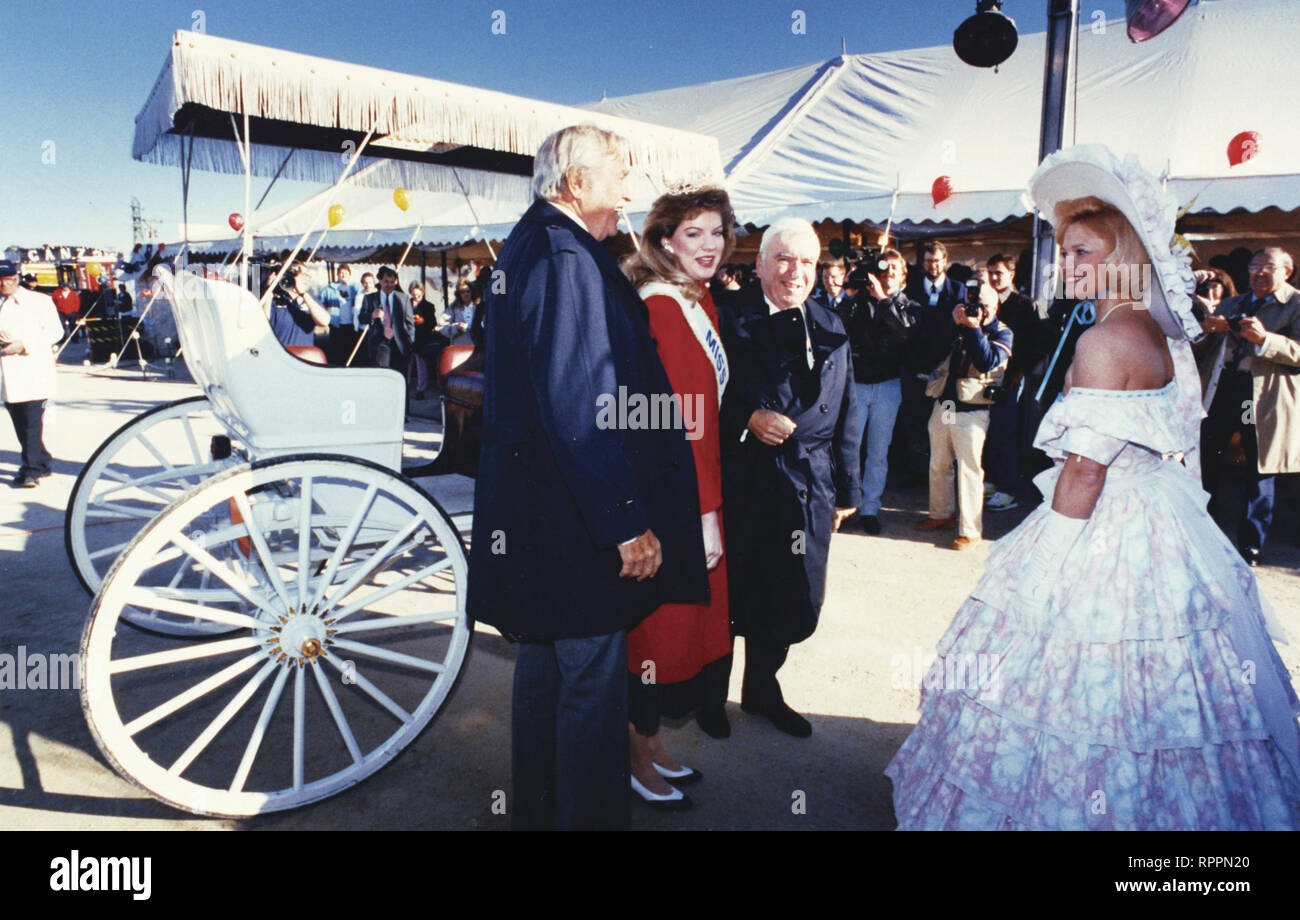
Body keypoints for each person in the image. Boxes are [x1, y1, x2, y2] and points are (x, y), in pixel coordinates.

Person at [886, 145, 1300, 830]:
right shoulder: (1158, 331)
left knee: (1071, 679)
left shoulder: (1106, 341)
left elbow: (1084, 469)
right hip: (1161, 515)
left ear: (1123, 258)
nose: (1067, 265)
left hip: (1103, 520)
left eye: (1083, 253)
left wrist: (1039, 570)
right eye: (1064, 251)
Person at [467, 125, 708, 831]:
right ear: (576, 183)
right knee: (589, 700)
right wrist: (625, 520)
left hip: (546, 520)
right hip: (574, 526)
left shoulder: (537, 243)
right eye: (618, 175)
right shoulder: (565, 255)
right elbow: (579, 404)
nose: (629, 191)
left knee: (543, 680)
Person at [718, 217, 861, 738]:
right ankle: (713, 697)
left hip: (810, 482)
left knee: (793, 591)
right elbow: (695, 391)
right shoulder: (726, 318)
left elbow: (846, 410)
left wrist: (849, 489)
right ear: (759, 265)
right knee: (735, 589)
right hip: (745, 479)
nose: (794, 271)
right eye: (782, 258)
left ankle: (762, 689)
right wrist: (747, 416)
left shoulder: (833, 322)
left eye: (805, 261)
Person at [619, 186, 736, 808]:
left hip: (693, 489)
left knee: (671, 637)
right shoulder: (665, 308)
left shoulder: (697, 301)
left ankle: (652, 744)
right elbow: (683, 428)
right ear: (665, 241)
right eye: (694, 234)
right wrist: (705, 516)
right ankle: (635, 760)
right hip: (677, 500)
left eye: (717, 233)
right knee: (654, 640)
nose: (709, 245)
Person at [1198, 247, 1300, 566]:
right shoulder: (1235, 302)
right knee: (1208, 461)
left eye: (1268, 266)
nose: (1259, 272)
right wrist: (1207, 329)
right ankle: (1205, 535)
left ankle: (1249, 547)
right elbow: (1201, 344)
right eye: (1254, 266)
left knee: (1258, 468)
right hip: (1225, 389)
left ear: (1287, 270)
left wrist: (1265, 340)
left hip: (1260, 396)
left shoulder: (1296, 304)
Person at [915, 274, 1012, 549]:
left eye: (982, 304)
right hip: (945, 404)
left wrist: (972, 329)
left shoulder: (1003, 332)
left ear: (994, 307)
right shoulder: (957, 325)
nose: (976, 308)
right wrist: (953, 324)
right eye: (972, 302)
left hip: (972, 410)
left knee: (969, 469)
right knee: (939, 463)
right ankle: (941, 514)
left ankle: (970, 530)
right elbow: (933, 350)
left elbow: (986, 362)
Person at [841, 249, 918, 535]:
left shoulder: (908, 305)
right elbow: (837, 326)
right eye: (883, 271)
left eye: (894, 271)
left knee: (878, 451)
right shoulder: (859, 301)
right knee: (850, 449)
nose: (888, 276)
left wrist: (884, 301)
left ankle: (870, 507)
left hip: (888, 385)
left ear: (903, 276)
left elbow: (905, 334)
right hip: (857, 384)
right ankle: (846, 504)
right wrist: (849, 294)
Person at [982, 253, 1056, 513]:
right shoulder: (984, 300)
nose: (993, 277)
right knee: (987, 433)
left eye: (998, 272)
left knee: (1005, 434)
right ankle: (991, 481)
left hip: (1010, 379)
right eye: (990, 272)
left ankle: (1007, 489)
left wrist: (1023, 370)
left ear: (1011, 275)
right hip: (984, 378)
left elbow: (1043, 341)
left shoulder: (1026, 305)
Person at [0, 260, 62, 488]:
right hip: (7, 375)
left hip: (33, 371)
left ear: (16, 279)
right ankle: (42, 460)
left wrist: (24, 344)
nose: (4, 284)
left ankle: (31, 470)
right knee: (20, 422)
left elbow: (56, 331)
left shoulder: (39, 302)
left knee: (31, 422)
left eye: (8, 279)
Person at [360, 267, 415, 408]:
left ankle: (403, 411)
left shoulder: (403, 298)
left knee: (401, 379)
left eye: (392, 282)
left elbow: (410, 324)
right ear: (380, 281)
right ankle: (381, 408)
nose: (389, 284)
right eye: (386, 281)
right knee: (381, 378)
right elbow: (361, 317)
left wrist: (410, 343)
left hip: (400, 345)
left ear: (396, 281)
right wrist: (372, 315)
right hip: (380, 344)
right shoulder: (370, 298)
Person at [263, 263, 331, 349]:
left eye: (308, 277)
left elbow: (324, 321)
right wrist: (269, 291)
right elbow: (263, 323)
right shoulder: (275, 300)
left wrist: (303, 294)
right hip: (280, 355)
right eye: (304, 275)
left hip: (303, 357)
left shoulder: (311, 300)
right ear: (289, 276)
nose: (307, 280)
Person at [409, 282, 446, 400]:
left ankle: (421, 389)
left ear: (422, 293)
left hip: (421, 339)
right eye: (414, 295)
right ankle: (406, 385)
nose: (416, 297)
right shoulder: (406, 303)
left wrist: (422, 322)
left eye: (418, 295)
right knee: (407, 364)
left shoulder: (428, 306)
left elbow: (432, 323)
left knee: (421, 366)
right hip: (407, 338)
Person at [321, 265, 361, 366]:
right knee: (337, 351)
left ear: (350, 275)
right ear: (337, 275)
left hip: (352, 324)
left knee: (351, 350)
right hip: (336, 324)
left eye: (346, 273)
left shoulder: (355, 288)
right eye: (341, 273)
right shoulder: (329, 288)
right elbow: (320, 304)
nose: (343, 275)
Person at [442, 281, 477, 347]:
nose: (466, 294)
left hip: (477, 349)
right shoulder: (453, 309)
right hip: (459, 349)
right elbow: (442, 327)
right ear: (458, 294)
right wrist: (456, 328)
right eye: (462, 292)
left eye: (468, 291)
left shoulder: (479, 308)